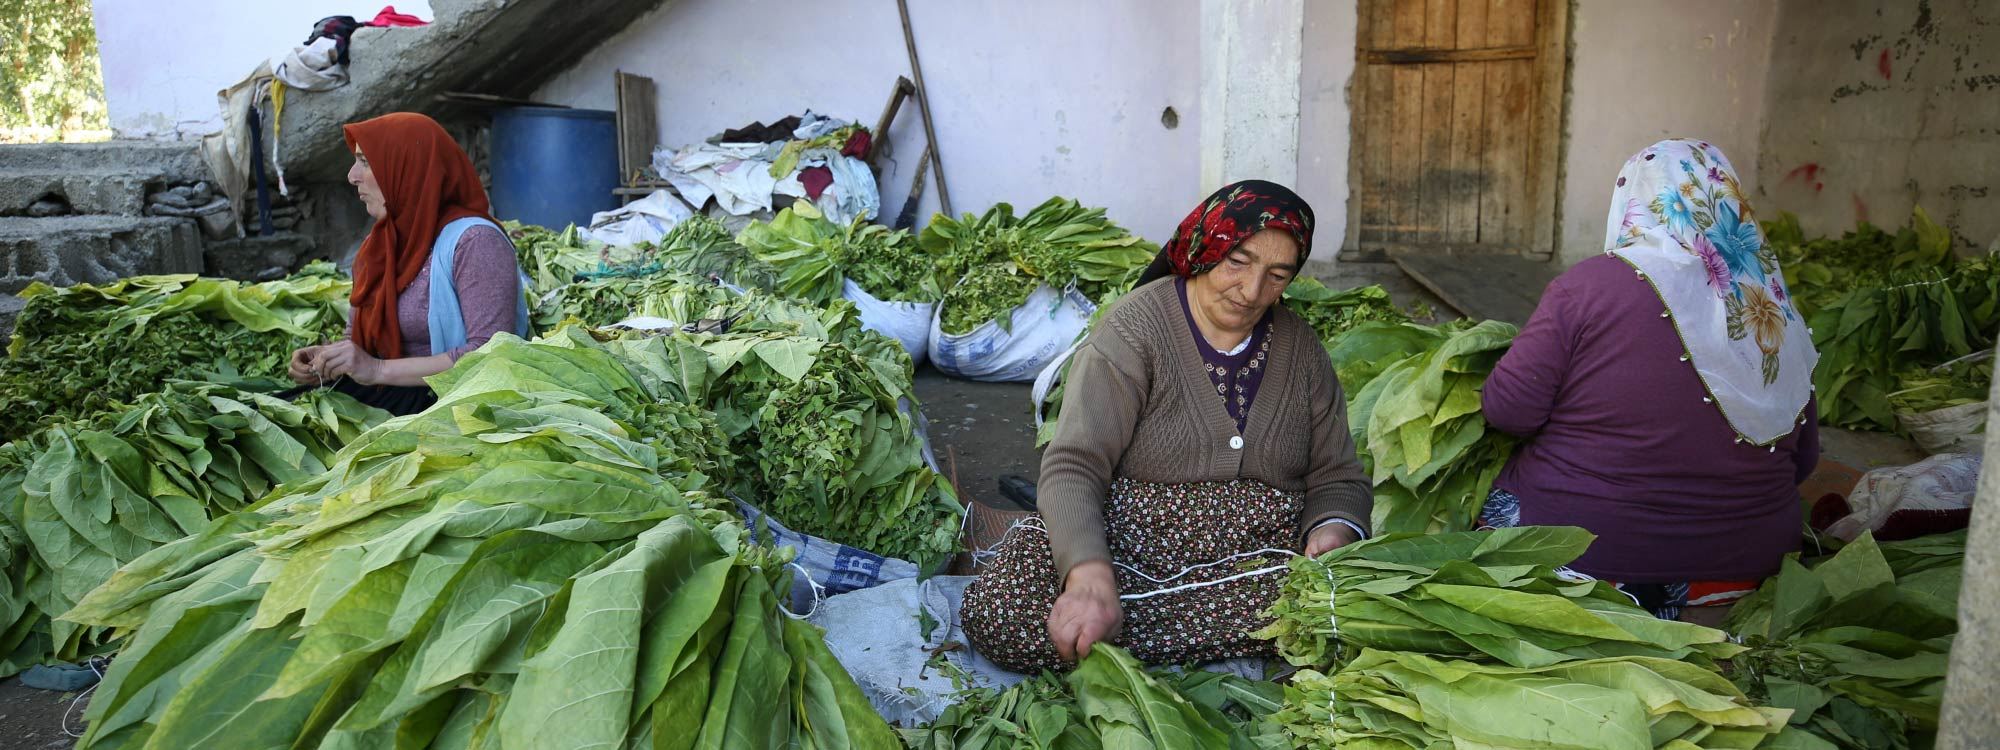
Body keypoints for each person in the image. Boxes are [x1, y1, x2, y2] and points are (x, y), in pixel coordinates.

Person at [961, 181, 1373, 673]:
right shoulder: (1136, 331)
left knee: (1354, 611)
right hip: (1130, 553)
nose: (1252, 290)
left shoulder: (1301, 351)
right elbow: (1075, 465)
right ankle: (1200, 634)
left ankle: (1158, 640)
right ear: (1206, 248)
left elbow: (1339, 477)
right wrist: (1090, 578)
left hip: (1261, 567)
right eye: (1237, 262)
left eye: (1277, 274)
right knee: (1010, 614)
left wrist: (1332, 530)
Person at [1479, 139, 1820, 621]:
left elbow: (1508, 412)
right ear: (1730, 204)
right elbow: (1804, 462)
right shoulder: (1770, 308)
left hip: (1588, 561)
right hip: (1746, 572)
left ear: (1633, 200)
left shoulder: (1589, 287)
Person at [288, 112, 530, 415]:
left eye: (365, 162)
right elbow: (361, 339)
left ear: (407, 169)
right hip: (385, 391)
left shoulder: (475, 242)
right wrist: (329, 359)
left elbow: (489, 354)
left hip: (450, 402)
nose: (352, 176)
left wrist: (376, 369)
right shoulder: (380, 246)